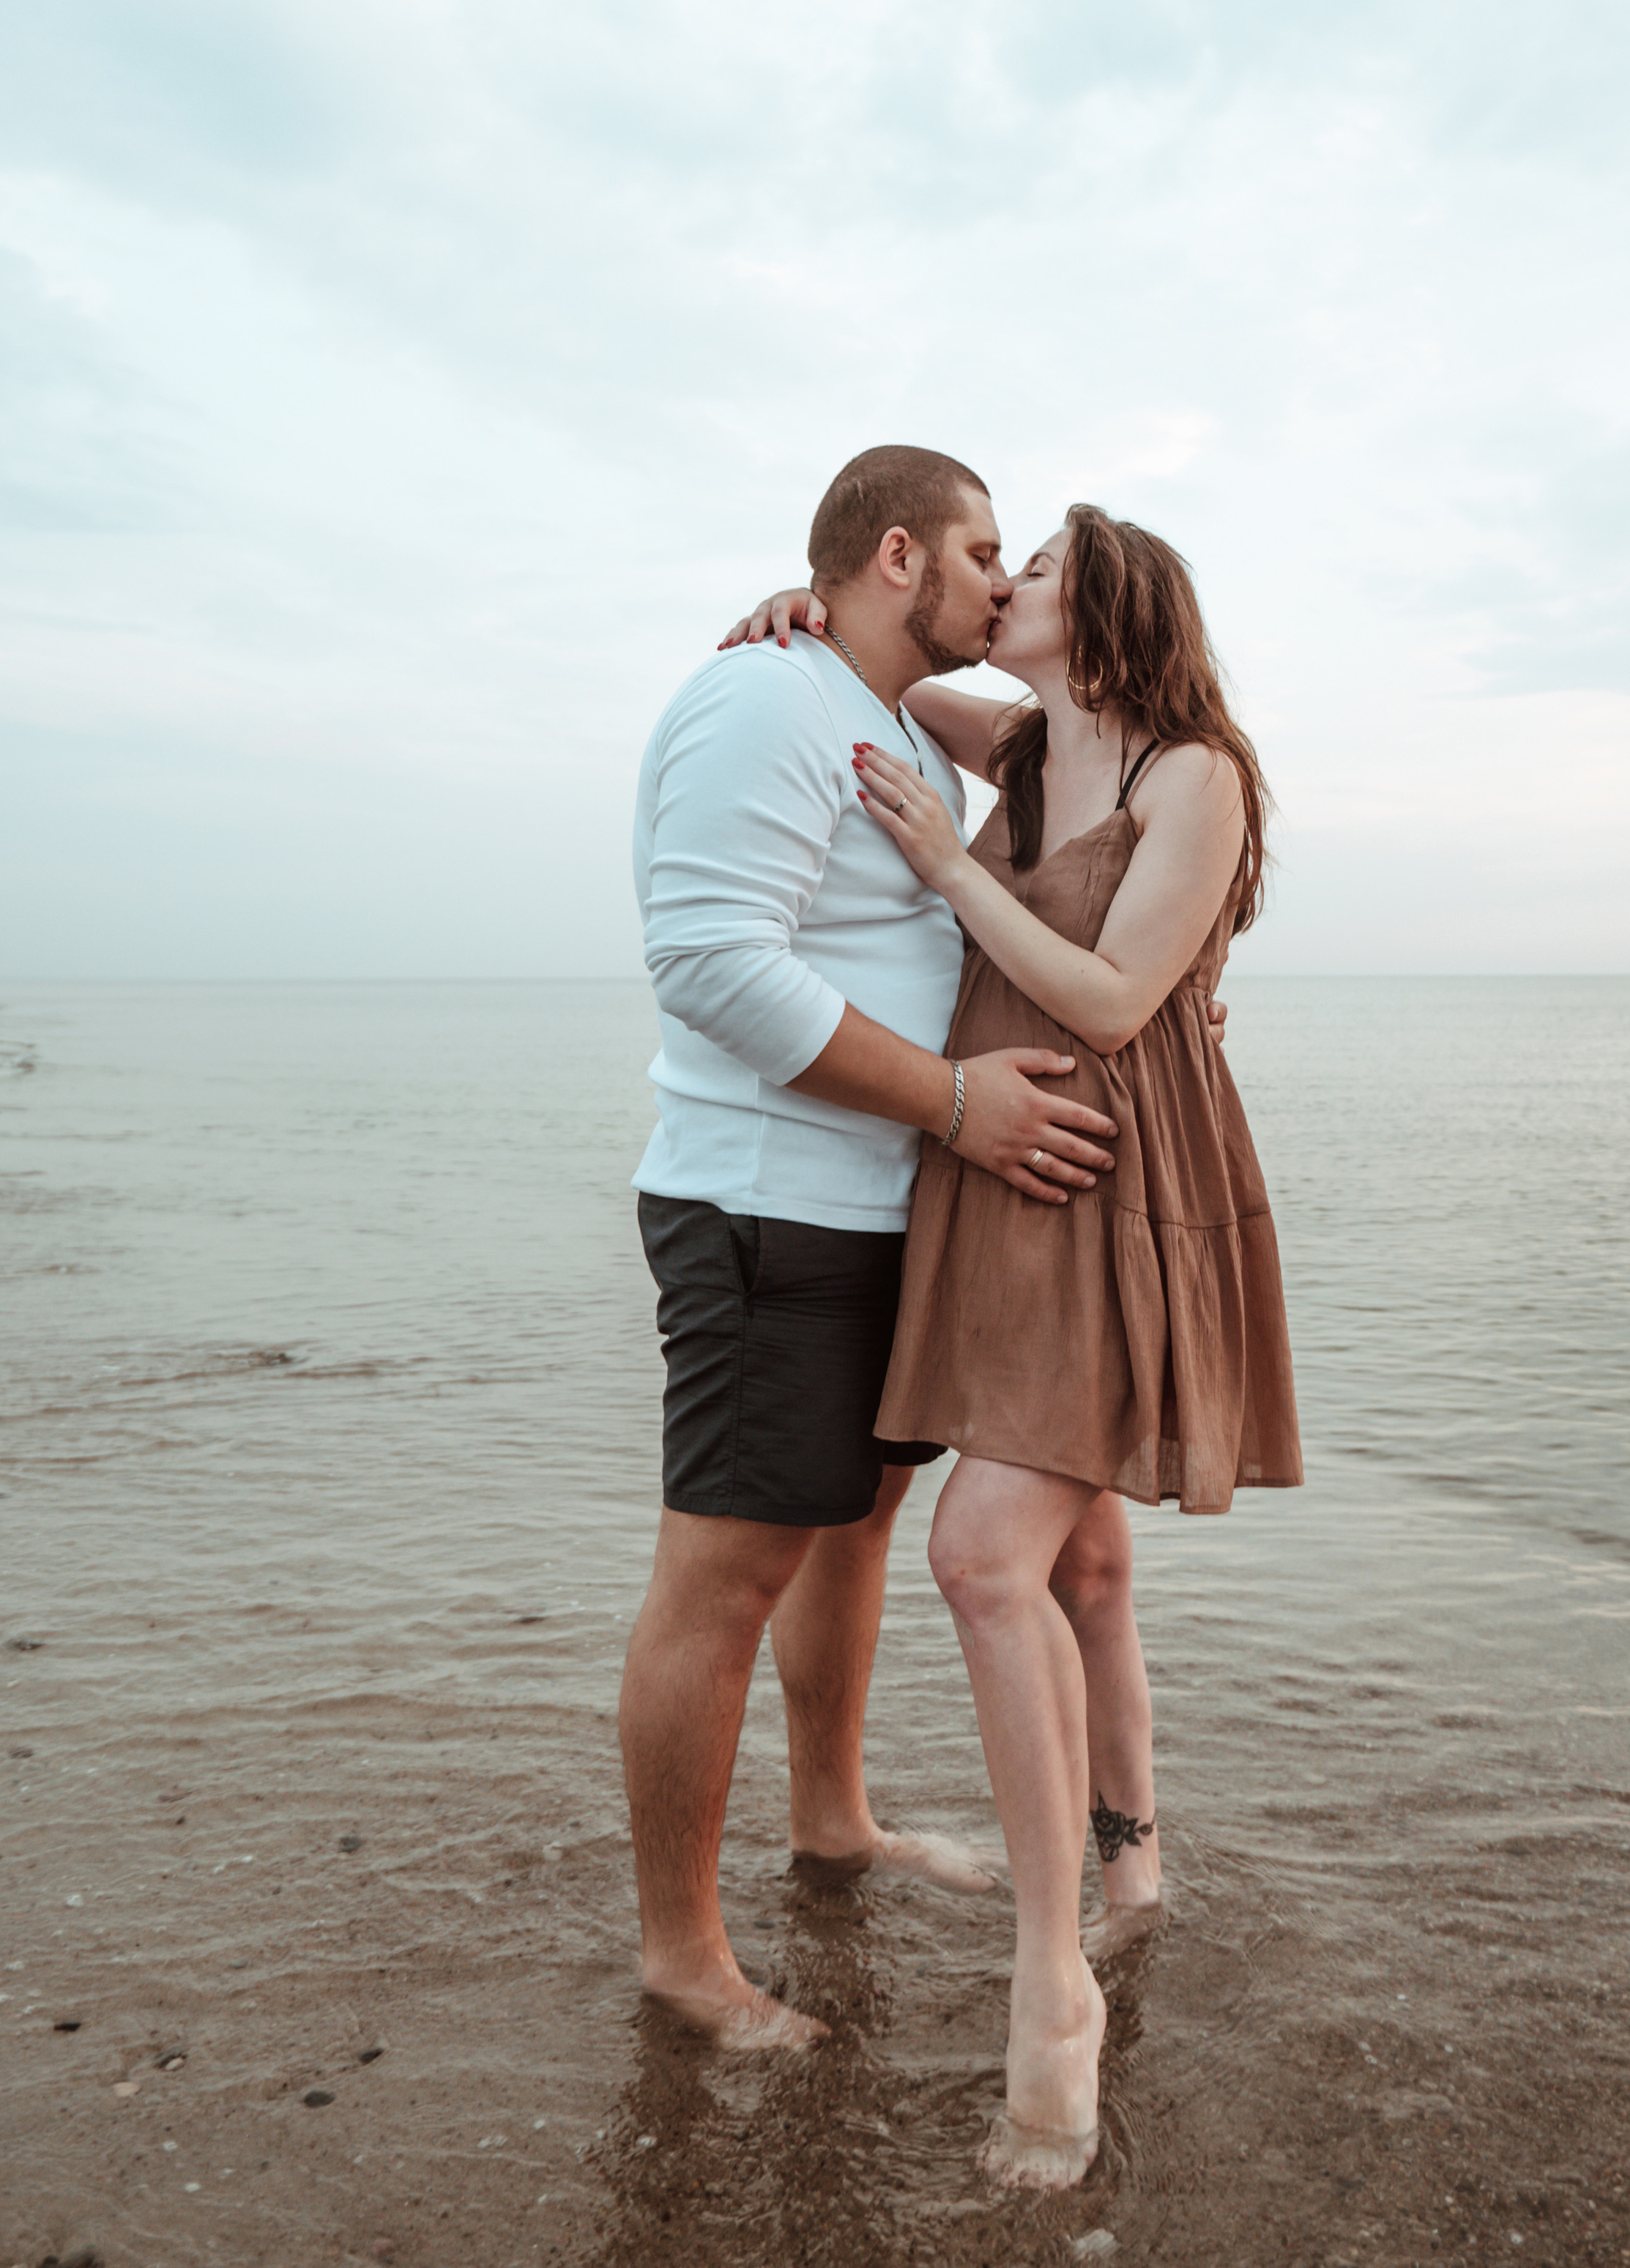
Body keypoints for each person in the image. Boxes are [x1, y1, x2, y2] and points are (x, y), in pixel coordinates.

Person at [734, 505, 1300, 2186]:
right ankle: (1132, 1870)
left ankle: (1051, 1986)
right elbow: (894, 680)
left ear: (1104, 607)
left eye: (1033, 570)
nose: (1005, 590)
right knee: (1085, 1568)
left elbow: (1120, 1001)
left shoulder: (1191, 772)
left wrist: (944, 863)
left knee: (988, 1553)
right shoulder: (1019, 735)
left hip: (1110, 1163)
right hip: (1002, 1165)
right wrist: (802, 607)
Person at [623, 445, 1132, 2052]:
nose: (1002, 580)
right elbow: (708, 964)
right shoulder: (758, 705)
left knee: (850, 1528)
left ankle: (831, 1818)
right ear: (900, 554)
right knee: (725, 1565)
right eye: (985, 550)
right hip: (768, 1201)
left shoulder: (882, 709)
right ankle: (682, 1955)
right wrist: (953, 1102)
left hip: (881, 1208)